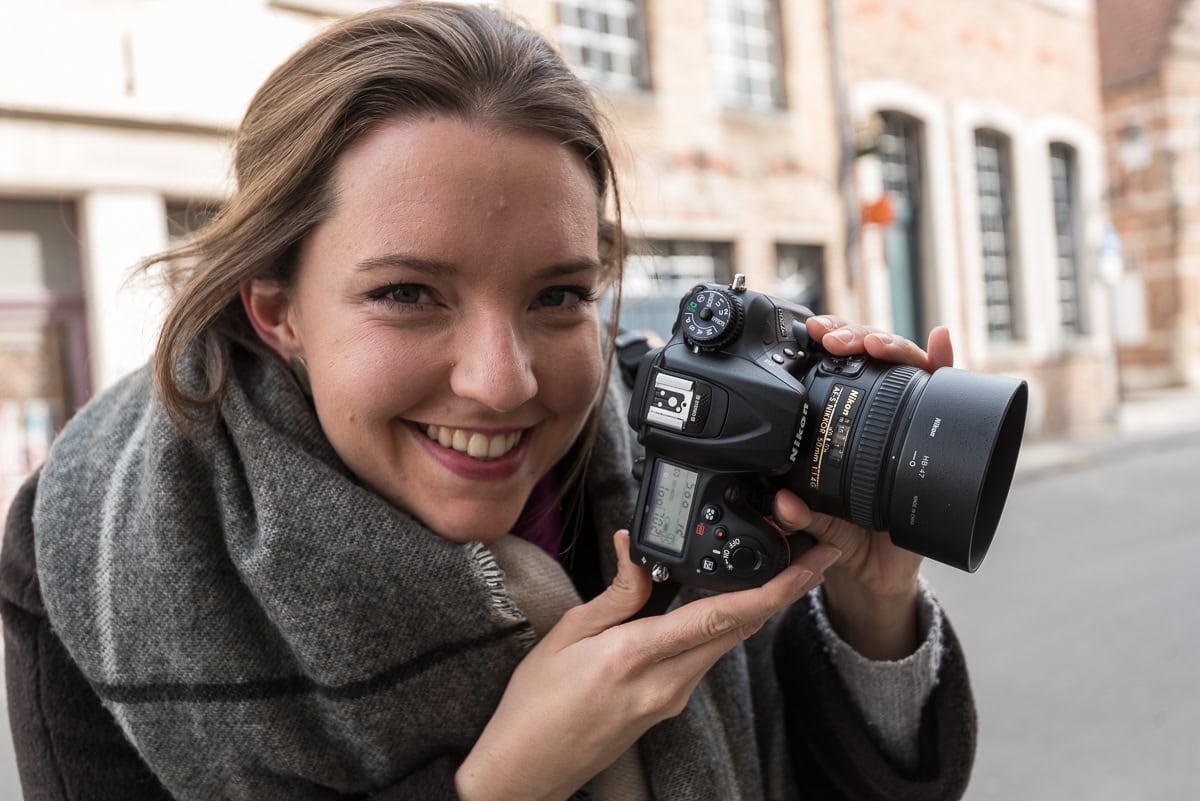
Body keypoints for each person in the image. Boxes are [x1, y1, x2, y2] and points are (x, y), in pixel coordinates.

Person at [0, 4, 976, 800]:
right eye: (409, 295)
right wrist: (507, 784)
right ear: (277, 308)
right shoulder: (99, 540)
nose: (503, 381)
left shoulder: (666, 460)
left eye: (558, 297)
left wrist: (872, 602)